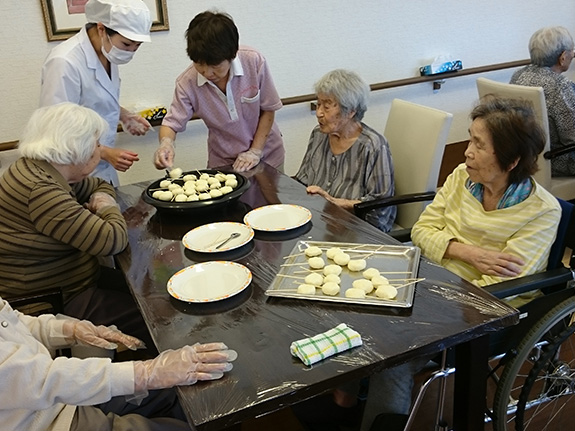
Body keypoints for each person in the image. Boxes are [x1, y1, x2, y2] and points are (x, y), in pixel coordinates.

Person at [361, 96, 562, 431]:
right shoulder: (460, 177)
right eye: (470, 138)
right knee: (363, 313)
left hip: (486, 308)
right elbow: (423, 230)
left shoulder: (541, 211)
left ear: (511, 161)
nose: (467, 151)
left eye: (478, 144)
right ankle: (351, 400)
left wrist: (433, 296)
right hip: (430, 283)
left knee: (394, 356)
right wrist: (469, 253)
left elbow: (501, 287)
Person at [0, 102, 151, 348]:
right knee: (153, 318)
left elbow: (101, 186)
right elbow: (112, 240)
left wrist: (102, 200)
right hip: (54, 298)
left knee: (148, 289)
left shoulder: (41, 168)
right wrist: (106, 207)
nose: (100, 150)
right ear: (76, 150)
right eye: (96, 144)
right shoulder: (40, 190)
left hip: (73, 277)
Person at [0, 295, 237, 431]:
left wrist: (66, 330)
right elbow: (41, 379)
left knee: (174, 393)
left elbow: (14, 320)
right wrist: (145, 372)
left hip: (57, 398)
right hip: (43, 422)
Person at [153, 10, 285, 173]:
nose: (207, 73)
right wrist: (166, 144)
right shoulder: (187, 83)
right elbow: (171, 124)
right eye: (199, 64)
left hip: (268, 154)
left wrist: (255, 151)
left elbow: (268, 109)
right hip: (224, 162)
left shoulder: (253, 61)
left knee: (273, 199)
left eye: (215, 66)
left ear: (232, 54)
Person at [40, 0, 153, 186]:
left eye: (137, 46)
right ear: (102, 29)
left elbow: (93, 97)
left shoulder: (106, 52)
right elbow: (55, 129)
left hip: (101, 171)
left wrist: (124, 115)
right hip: (72, 172)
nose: (131, 52)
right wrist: (104, 152)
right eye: (127, 44)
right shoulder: (64, 62)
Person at [294, 69, 396, 232]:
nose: (319, 113)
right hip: (320, 220)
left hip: (357, 228)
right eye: (318, 104)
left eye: (326, 107)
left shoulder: (373, 146)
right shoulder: (318, 135)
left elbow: (379, 208)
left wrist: (334, 202)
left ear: (350, 111)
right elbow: (303, 179)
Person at [510, 26, 575, 176]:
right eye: (572, 50)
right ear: (562, 57)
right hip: (556, 159)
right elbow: (572, 138)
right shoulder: (559, 86)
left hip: (527, 156)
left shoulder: (519, 75)